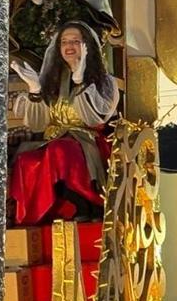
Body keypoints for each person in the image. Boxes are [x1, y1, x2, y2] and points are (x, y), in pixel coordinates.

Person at [8, 20, 119, 224]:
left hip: (87, 142)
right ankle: (41, 216)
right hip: (54, 139)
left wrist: (80, 81)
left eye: (75, 41)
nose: (69, 46)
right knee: (26, 161)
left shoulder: (104, 80)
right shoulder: (51, 79)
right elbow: (38, 123)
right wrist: (35, 90)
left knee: (61, 150)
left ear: (87, 46)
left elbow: (95, 117)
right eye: (64, 42)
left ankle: (85, 203)